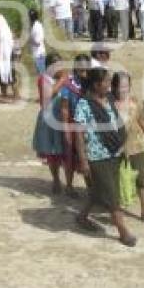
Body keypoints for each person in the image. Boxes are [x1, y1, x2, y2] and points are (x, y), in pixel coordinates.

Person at [73, 67, 137, 247]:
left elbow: (117, 121)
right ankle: (123, 232)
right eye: (106, 82)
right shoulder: (83, 105)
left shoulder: (108, 99)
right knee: (112, 195)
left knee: (99, 191)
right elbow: (79, 135)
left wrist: (123, 144)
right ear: (96, 84)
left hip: (114, 152)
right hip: (96, 155)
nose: (110, 86)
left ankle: (82, 216)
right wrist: (83, 160)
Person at [111, 71, 144, 224]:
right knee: (116, 180)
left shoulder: (135, 102)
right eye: (121, 86)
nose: (124, 90)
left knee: (141, 178)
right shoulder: (108, 103)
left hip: (136, 146)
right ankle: (117, 211)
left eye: (127, 86)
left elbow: (142, 121)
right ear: (114, 87)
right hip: (115, 148)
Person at [32, 53, 67, 194]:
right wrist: (63, 79)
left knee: (64, 151)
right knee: (53, 152)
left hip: (62, 118)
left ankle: (67, 182)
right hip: (49, 120)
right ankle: (56, 180)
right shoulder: (44, 79)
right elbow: (49, 94)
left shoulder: (61, 78)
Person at [58, 54, 90, 198]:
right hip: (72, 124)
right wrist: (66, 130)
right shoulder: (69, 85)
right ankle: (69, 186)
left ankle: (91, 187)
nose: (84, 73)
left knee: (88, 156)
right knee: (70, 155)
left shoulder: (91, 82)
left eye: (86, 69)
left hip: (88, 125)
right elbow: (64, 108)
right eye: (81, 70)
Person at [29, 9, 46, 75]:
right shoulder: (36, 25)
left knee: (42, 73)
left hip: (39, 53)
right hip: (38, 52)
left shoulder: (37, 27)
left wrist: (30, 40)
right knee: (41, 73)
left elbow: (38, 42)